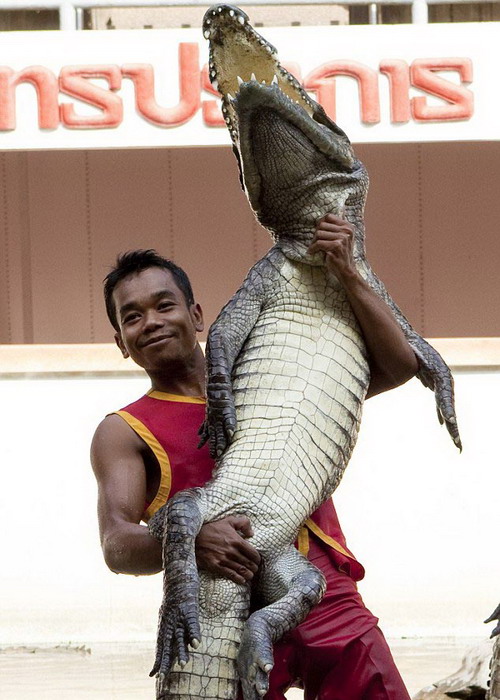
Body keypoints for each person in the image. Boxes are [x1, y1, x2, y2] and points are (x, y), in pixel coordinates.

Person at [91, 213, 418, 700]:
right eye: (132, 317)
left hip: (319, 586)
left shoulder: (269, 375)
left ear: (197, 315)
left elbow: (398, 367)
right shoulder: (122, 431)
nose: (152, 323)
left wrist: (349, 272)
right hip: (222, 607)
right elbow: (116, 544)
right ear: (121, 342)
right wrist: (192, 542)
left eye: (164, 305)